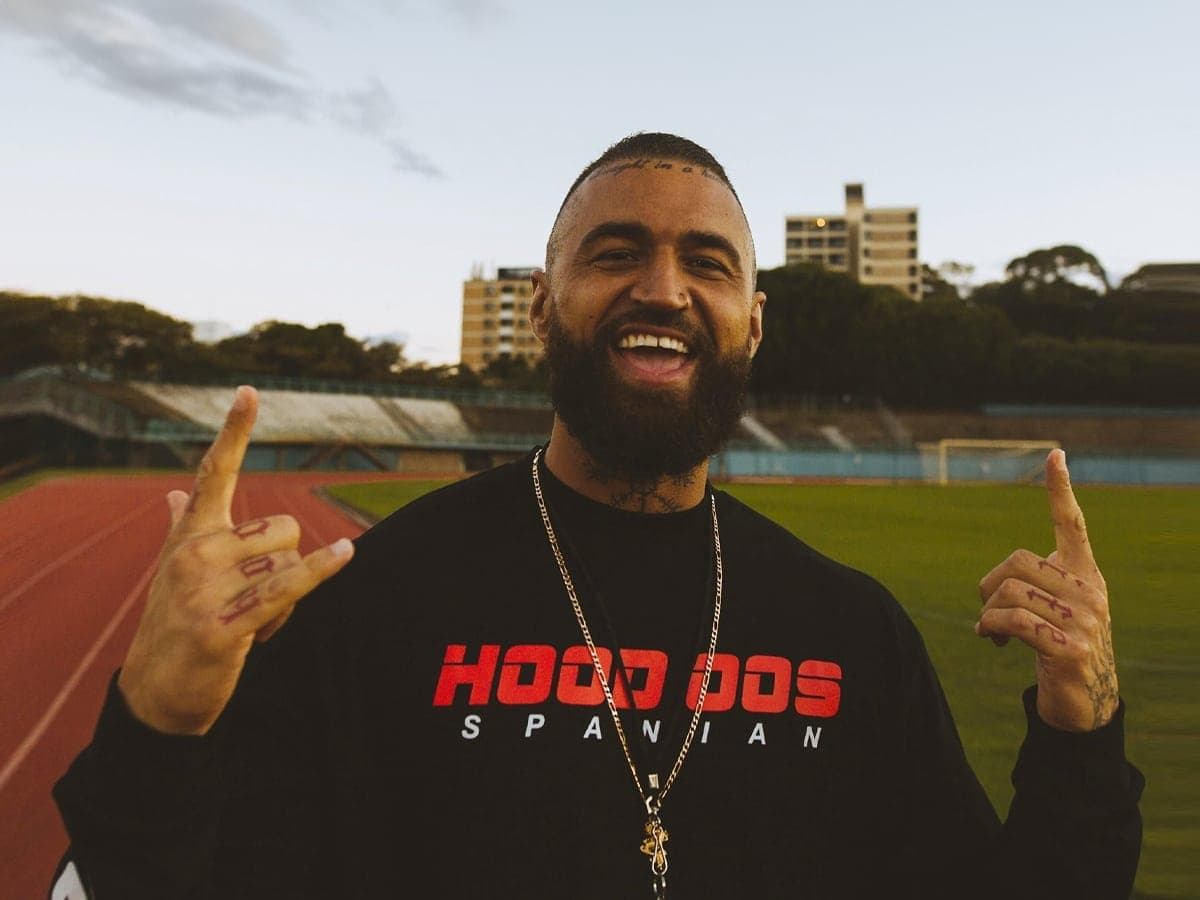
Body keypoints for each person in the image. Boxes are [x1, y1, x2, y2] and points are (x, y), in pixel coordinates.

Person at [50, 133, 1143, 899]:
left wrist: (1079, 728)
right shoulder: (370, 601)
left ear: (752, 324)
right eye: (616, 251)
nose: (663, 287)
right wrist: (159, 718)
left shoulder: (853, 634)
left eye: (705, 263)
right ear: (540, 304)